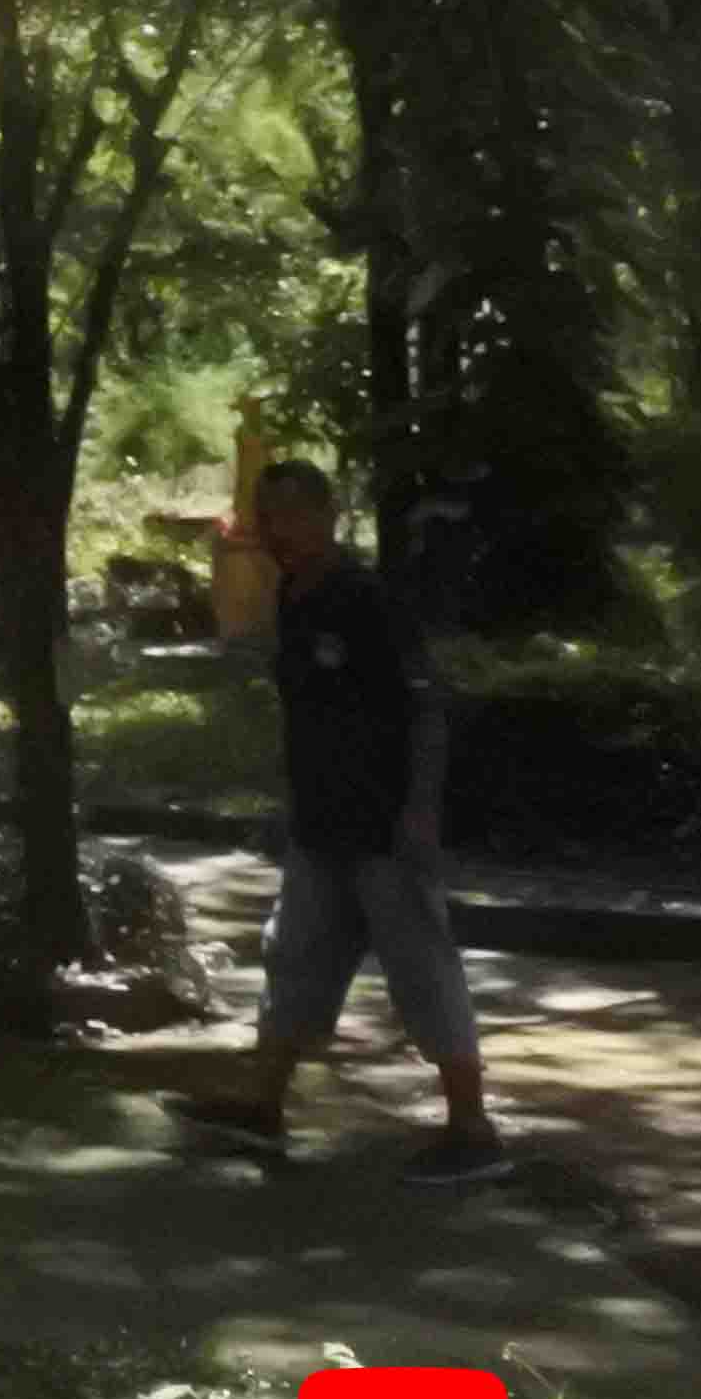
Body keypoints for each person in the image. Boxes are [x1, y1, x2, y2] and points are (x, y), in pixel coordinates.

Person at [168, 457, 511, 1185]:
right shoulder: (293, 595)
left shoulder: (367, 598)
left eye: (293, 513)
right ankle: (262, 1105)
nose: (278, 529)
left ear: (327, 515)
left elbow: (425, 710)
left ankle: (472, 1128)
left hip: (385, 827)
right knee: (293, 960)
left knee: (421, 968)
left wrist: (419, 816)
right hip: (321, 824)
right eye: (268, 515)